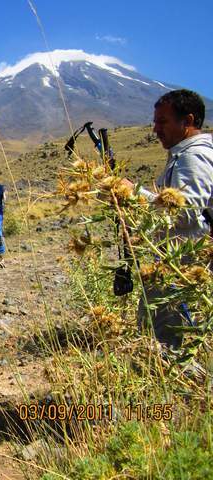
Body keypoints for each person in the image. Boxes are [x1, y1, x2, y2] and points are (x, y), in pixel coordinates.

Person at [122, 89, 213, 348]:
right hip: (174, 262)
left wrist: (136, 194)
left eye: (162, 121)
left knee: (166, 339)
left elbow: (186, 212)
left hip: (181, 265)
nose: (155, 129)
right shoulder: (183, 155)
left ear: (188, 121)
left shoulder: (194, 156)